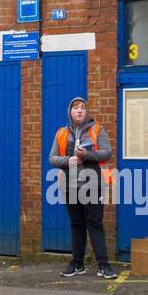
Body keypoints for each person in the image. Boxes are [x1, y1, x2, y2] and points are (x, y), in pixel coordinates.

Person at [48, 97, 114, 279]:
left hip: (93, 184)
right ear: (70, 111)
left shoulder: (97, 129)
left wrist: (88, 155)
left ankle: (104, 266)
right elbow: (52, 158)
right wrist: (67, 160)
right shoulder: (62, 133)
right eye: (76, 108)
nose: (79, 111)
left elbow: (107, 152)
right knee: (76, 224)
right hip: (70, 185)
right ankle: (77, 264)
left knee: (95, 224)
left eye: (83, 108)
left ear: (87, 112)